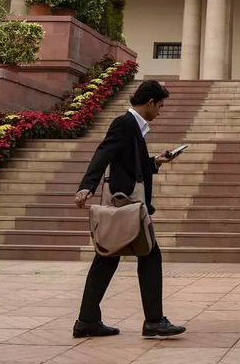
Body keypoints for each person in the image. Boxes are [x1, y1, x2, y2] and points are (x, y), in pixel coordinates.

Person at [71, 79, 186, 339]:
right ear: (150, 102)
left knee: (107, 258)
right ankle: (154, 321)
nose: (160, 111)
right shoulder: (125, 123)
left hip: (128, 203)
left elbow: (131, 163)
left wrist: (157, 161)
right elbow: (104, 152)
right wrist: (87, 187)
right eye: (160, 106)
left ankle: (87, 320)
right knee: (148, 254)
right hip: (125, 203)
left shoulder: (134, 126)